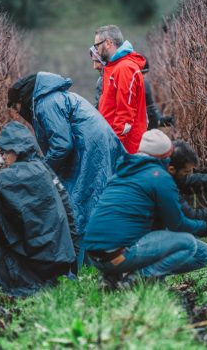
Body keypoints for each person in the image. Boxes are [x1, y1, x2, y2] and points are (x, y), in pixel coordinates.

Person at [7, 72, 125, 255]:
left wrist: (43, 170)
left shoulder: (46, 103)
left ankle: (82, 257)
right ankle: (94, 255)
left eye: (17, 106)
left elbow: (62, 145)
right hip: (92, 146)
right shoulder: (51, 98)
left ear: (23, 99)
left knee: (78, 200)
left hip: (91, 149)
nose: (19, 112)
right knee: (87, 197)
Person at [82, 129, 207, 285]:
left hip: (96, 256)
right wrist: (206, 226)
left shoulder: (122, 172)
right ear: (167, 156)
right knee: (188, 244)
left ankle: (114, 277)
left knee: (202, 252)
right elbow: (178, 224)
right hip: (118, 255)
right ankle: (139, 279)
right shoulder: (160, 177)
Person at [0, 122, 77, 296]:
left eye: (5, 152)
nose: (3, 158)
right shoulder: (39, 167)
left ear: (16, 150)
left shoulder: (24, 173)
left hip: (47, 259)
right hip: (59, 256)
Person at [93, 25, 147, 153]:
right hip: (114, 140)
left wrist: (113, 144)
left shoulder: (125, 68)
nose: (96, 50)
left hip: (125, 147)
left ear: (108, 43)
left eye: (97, 45)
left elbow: (125, 114)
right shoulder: (113, 67)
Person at [165, 140, 207, 223]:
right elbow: (191, 217)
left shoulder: (163, 169)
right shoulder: (164, 186)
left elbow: (188, 182)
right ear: (172, 169)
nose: (187, 175)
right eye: (185, 172)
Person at [141, 58, 174, 130]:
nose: (144, 76)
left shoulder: (145, 85)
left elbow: (150, 106)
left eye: (146, 73)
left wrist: (160, 119)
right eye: (142, 73)